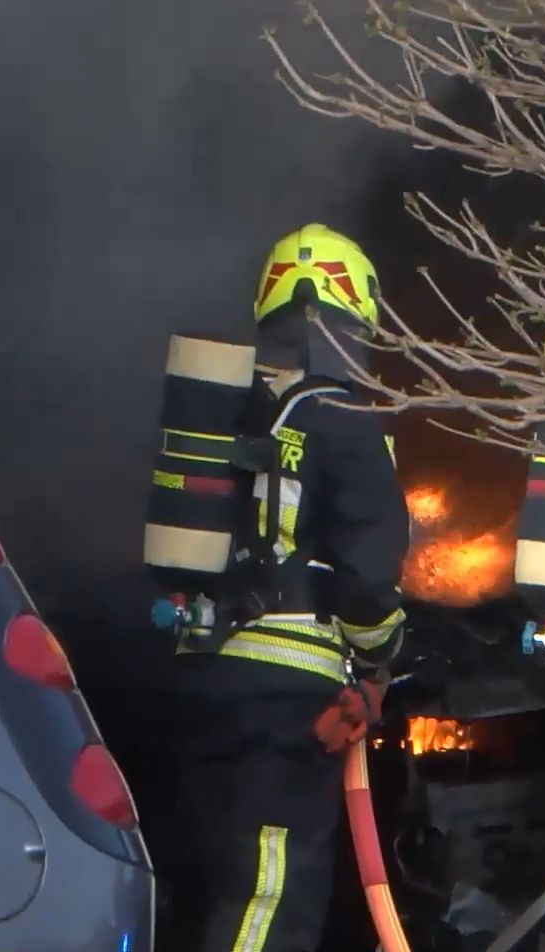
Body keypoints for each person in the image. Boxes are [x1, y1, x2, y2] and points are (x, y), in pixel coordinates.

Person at [162, 223, 409, 952]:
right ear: (353, 317)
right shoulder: (345, 419)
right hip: (286, 701)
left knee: (217, 879)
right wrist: (382, 655)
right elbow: (367, 579)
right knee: (272, 889)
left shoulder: (223, 410)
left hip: (203, 679)